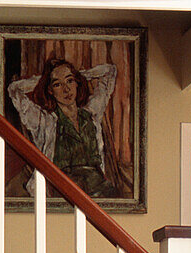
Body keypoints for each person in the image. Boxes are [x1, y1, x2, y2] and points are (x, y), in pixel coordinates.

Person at [7, 58, 117, 197]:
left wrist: (80, 75)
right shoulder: (44, 122)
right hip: (65, 195)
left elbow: (110, 71)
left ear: (77, 82)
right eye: (58, 85)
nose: (66, 89)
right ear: (50, 90)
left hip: (100, 192)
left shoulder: (91, 114)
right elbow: (14, 89)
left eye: (70, 81)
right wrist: (45, 81)